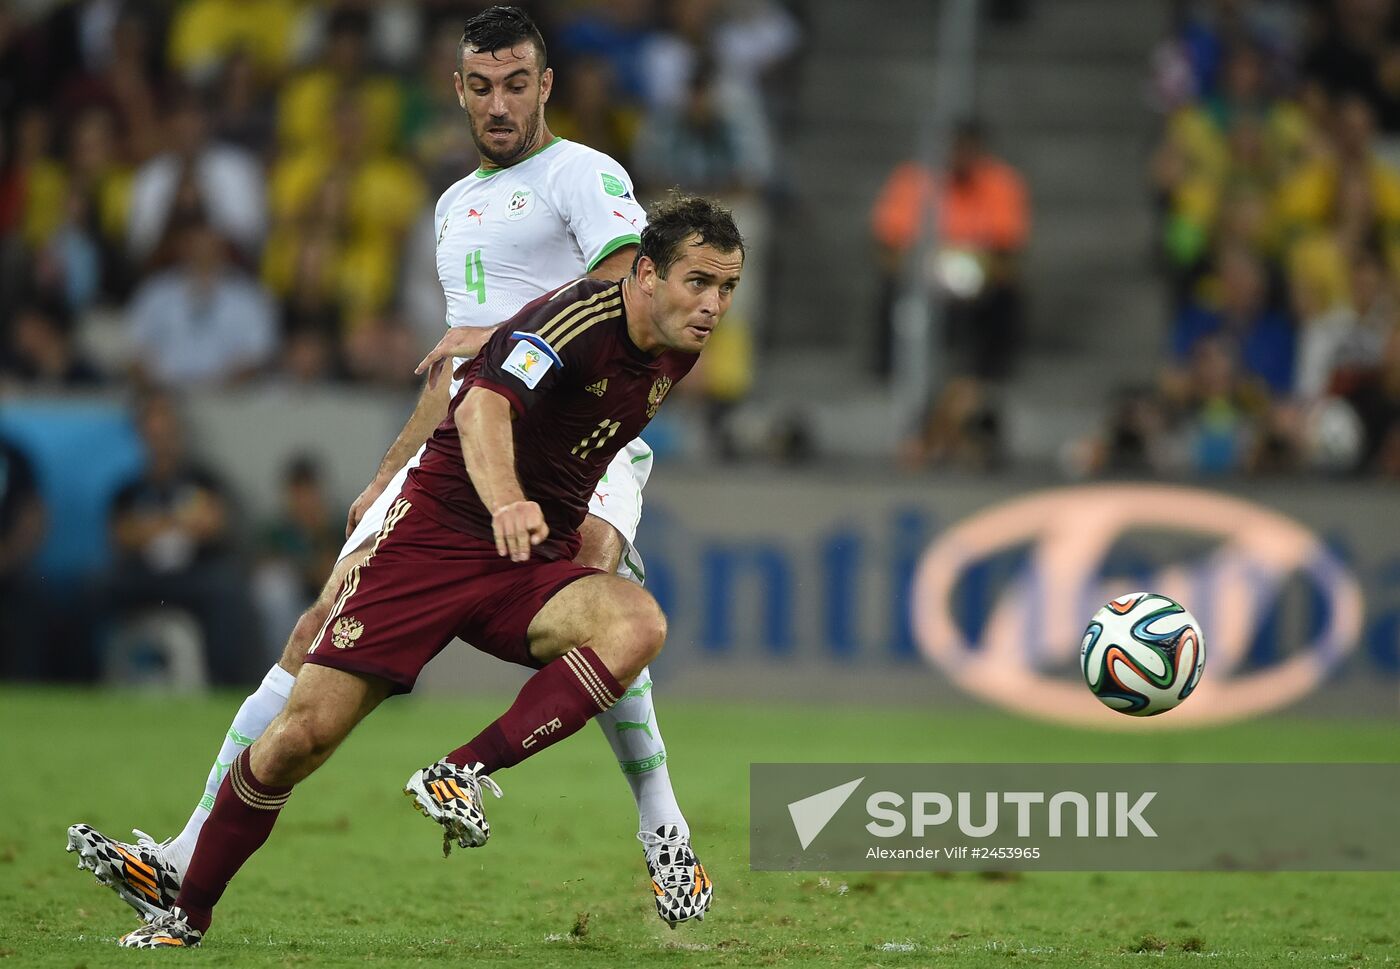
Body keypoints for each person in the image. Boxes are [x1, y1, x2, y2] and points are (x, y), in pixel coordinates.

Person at [69, 6, 708, 930]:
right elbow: (455, 365)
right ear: (456, 89)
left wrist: (498, 336)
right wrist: (390, 467)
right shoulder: (453, 207)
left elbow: (624, 289)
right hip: (468, 447)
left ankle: (663, 827)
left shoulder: (585, 173)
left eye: (517, 83)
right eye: (481, 86)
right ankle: (181, 854)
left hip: (580, 434)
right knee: (313, 631)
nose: (499, 104)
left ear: (545, 86)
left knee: (601, 600)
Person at [116, 194, 743, 950]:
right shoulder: (581, 319)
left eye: (727, 288)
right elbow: (480, 406)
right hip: (434, 543)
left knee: (637, 621)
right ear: (645, 274)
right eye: (699, 282)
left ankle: (460, 772)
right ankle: (187, 909)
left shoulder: (678, 345)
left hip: (523, 563)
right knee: (299, 738)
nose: (713, 305)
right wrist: (507, 498)